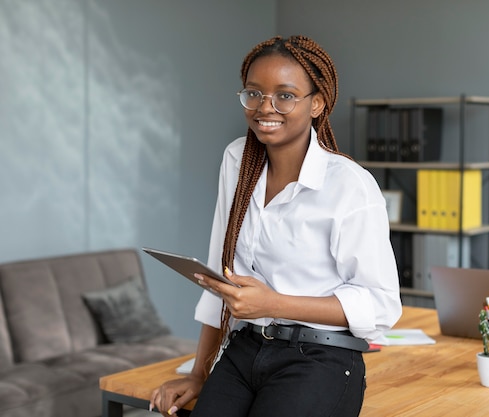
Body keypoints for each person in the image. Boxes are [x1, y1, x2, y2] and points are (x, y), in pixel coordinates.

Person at [150, 34, 402, 417]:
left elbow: (381, 305)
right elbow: (223, 277)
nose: (265, 107)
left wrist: (274, 303)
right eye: (254, 93)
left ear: (316, 103)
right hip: (244, 349)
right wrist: (198, 375)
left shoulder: (350, 185)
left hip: (320, 358)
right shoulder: (237, 161)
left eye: (285, 95)